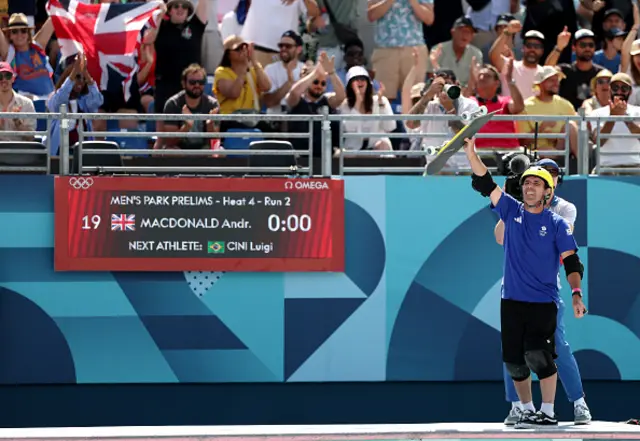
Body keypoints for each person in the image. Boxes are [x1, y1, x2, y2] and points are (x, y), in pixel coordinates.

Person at [463, 137, 587, 428]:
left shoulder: (557, 223)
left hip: (544, 301)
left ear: (547, 192)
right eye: (527, 183)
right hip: (512, 300)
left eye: (537, 184)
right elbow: (485, 184)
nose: (530, 187)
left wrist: (577, 294)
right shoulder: (511, 210)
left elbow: (571, 261)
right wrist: (471, 153)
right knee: (514, 362)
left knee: (539, 356)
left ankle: (548, 411)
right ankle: (527, 409)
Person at [494, 158, 592, 426]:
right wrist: (510, 195)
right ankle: (518, 406)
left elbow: (566, 247)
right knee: (512, 351)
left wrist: (576, 292)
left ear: (554, 183)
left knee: (554, 348)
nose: (535, 182)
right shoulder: (517, 204)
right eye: (531, 178)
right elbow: (500, 237)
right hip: (514, 290)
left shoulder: (564, 210)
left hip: (547, 291)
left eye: (549, 176)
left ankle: (578, 402)